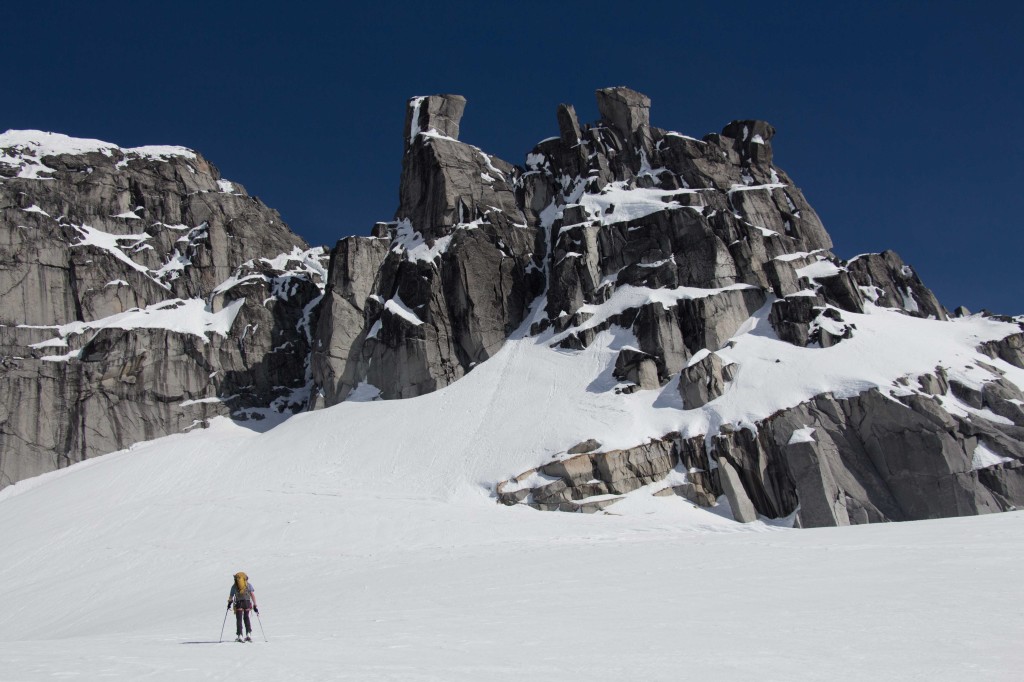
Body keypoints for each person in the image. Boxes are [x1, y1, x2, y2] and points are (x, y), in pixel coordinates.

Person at [227, 571, 259, 642]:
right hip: (247, 603)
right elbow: (252, 595)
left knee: (239, 619)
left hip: (239, 603)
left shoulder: (234, 586)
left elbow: (231, 596)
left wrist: (229, 604)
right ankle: (248, 634)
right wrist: (255, 605)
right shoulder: (248, 585)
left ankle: (240, 635)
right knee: (246, 618)